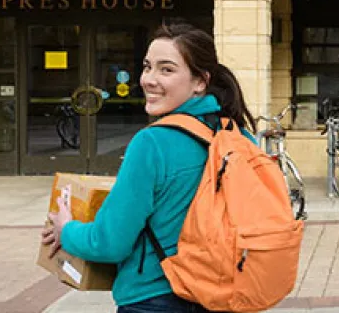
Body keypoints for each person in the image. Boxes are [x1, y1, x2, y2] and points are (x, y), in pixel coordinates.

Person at [42, 22, 257, 313]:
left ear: (200, 81)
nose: (148, 79)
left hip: (156, 299)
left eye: (166, 69)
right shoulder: (239, 137)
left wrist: (66, 229)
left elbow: (109, 243)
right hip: (225, 295)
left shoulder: (152, 143)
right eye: (147, 67)